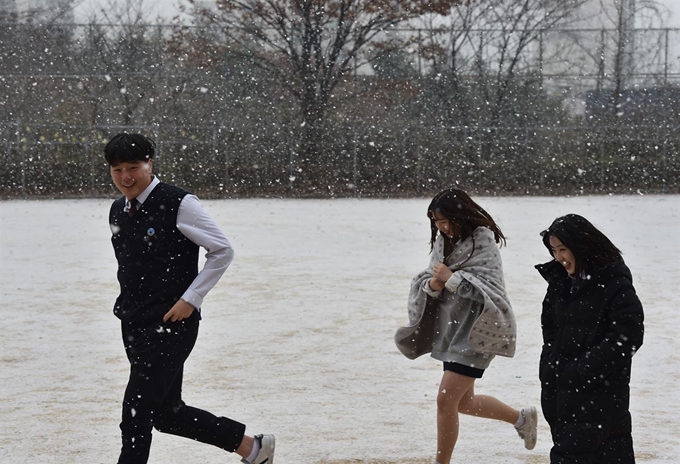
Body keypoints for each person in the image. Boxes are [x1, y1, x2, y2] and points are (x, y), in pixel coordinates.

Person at [104, 133, 274, 464]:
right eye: (117, 169)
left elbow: (222, 250)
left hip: (172, 325)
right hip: (134, 325)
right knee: (167, 414)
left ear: (150, 163)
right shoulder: (117, 210)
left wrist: (191, 298)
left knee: (136, 413)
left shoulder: (179, 203)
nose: (125, 177)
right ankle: (253, 448)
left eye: (133, 167)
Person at [395, 188, 537, 464]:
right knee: (463, 403)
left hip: (478, 333)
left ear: (460, 215)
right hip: (451, 332)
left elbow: (491, 290)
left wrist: (452, 279)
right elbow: (431, 278)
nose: (442, 227)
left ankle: (441, 462)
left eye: (445, 220)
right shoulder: (442, 241)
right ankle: (521, 419)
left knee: (444, 400)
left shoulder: (482, 240)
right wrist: (433, 285)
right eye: (436, 222)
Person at [536, 214, 644, 463]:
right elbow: (549, 327)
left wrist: (584, 370)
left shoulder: (614, 282)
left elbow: (629, 334)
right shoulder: (560, 283)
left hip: (600, 398)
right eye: (554, 250)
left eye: (563, 249)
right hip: (562, 395)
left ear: (581, 247)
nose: (558, 258)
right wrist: (550, 364)